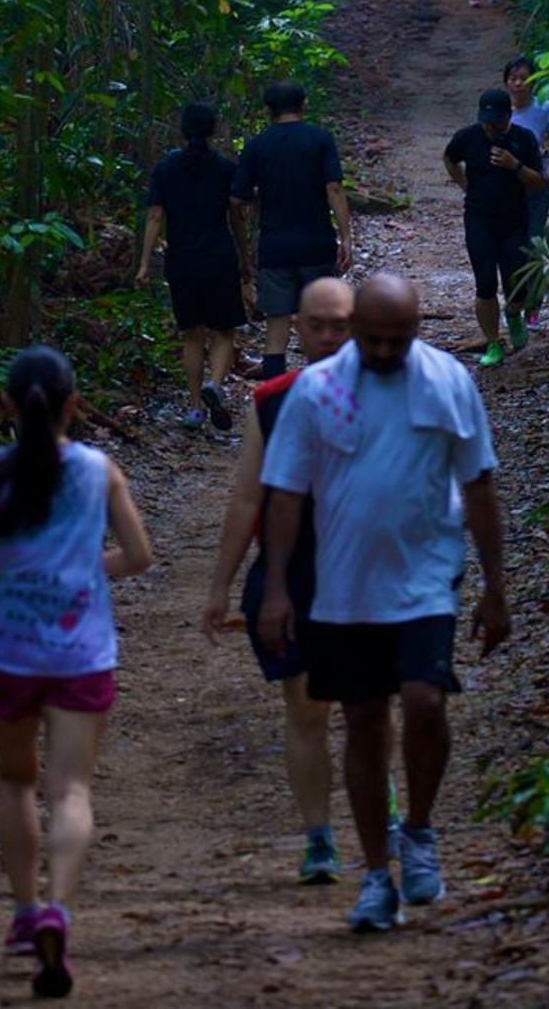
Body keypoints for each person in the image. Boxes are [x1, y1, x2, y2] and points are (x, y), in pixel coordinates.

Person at [257, 274, 510, 933]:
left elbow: (478, 485)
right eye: (374, 340)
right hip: (344, 588)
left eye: (400, 340)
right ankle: (376, 875)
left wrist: (495, 586)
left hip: (426, 576)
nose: (386, 352)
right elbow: (283, 493)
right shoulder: (318, 390)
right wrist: (278, 587)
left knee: (425, 701)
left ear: (418, 330)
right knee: (364, 722)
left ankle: (419, 832)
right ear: (356, 331)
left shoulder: (447, 381)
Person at [0, 346, 152, 997]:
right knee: (71, 791)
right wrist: (83, 571)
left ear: (4, 405)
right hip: (79, 651)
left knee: (15, 778)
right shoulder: (97, 471)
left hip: (3, 650)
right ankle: (59, 906)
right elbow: (139, 555)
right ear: (73, 406)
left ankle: (25, 914)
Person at [202, 279, 361, 885]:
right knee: (307, 706)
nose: (328, 337)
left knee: (366, 703)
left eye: (340, 325)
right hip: (294, 570)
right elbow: (248, 497)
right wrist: (221, 585)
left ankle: (383, 805)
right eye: (317, 325)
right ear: (295, 328)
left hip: (362, 568)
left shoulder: (386, 393)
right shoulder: (273, 398)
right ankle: (319, 835)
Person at [137, 102, 251, 430]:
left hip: (182, 259)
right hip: (218, 256)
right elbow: (236, 218)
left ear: (182, 129)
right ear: (213, 130)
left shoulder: (166, 169)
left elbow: (156, 215)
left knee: (191, 335)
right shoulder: (226, 169)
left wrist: (145, 263)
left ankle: (195, 407)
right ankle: (214, 384)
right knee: (224, 331)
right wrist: (245, 260)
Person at [231, 82, 352, 380]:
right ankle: (324, 378)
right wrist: (346, 235)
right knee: (321, 314)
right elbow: (333, 187)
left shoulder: (257, 145)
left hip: (275, 242)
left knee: (277, 317)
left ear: (268, 111)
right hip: (316, 240)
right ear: (304, 104)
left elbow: (236, 198)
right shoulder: (320, 139)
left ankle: (275, 380)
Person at [443, 89, 546, 366]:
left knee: (517, 284)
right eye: (486, 121)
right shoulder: (468, 136)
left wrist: (515, 166)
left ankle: (514, 316)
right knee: (485, 283)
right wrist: (464, 184)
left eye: (496, 122)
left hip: (514, 220)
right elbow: (450, 158)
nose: (490, 128)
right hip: (479, 219)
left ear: (508, 116)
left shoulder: (523, 139)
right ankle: (492, 342)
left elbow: (538, 181)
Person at [504, 55, 549, 327]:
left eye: (524, 78)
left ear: (533, 82)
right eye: (513, 78)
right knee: (509, 248)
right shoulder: (499, 108)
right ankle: (514, 305)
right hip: (505, 189)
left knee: (533, 244)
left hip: (535, 187)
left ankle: (533, 307)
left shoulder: (544, 108)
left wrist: (540, 153)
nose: (518, 84)